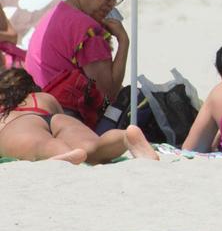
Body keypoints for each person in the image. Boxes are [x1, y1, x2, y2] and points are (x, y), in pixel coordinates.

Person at [24, 0, 129, 130]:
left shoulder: (57, 13)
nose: (111, 2)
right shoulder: (87, 30)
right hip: (64, 119)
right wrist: (124, 42)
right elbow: (108, 95)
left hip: (35, 111)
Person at [0, 67, 158, 163]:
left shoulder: (4, 109)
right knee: (94, 147)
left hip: (20, 126)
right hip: (57, 119)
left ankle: (64, 154)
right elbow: (57, 122)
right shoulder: (44, 98)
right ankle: (125, 137)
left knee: (42, 144)